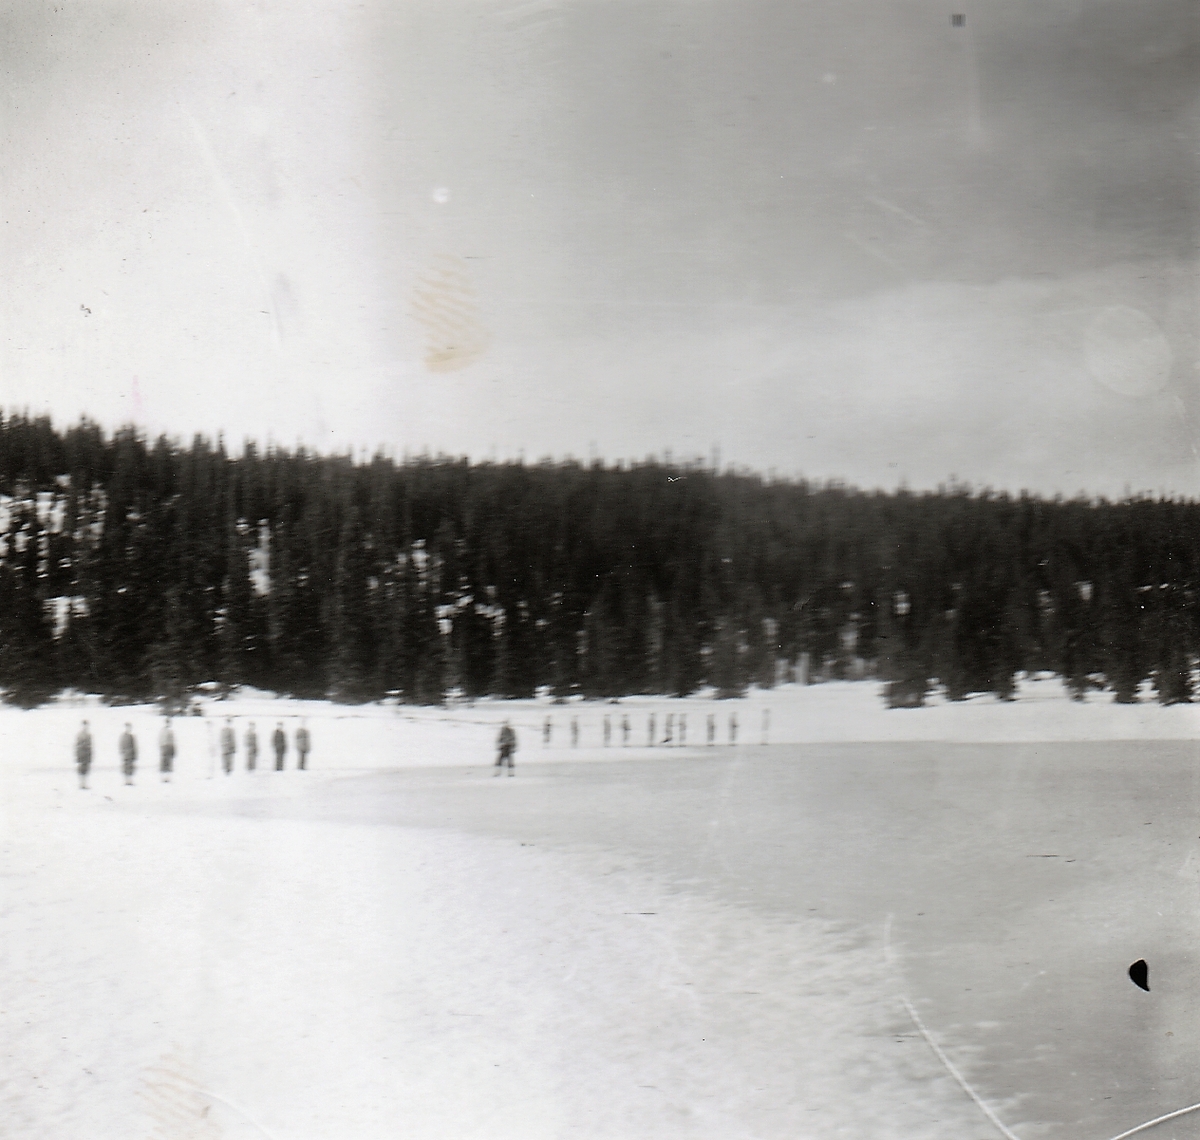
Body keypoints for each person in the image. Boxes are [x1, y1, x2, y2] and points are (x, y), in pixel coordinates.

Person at [75, 719, 92, 790]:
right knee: (81, 770)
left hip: (87, 755)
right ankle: (81, 784)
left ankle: (84, 784)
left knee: (86, 770)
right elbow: (77, 746)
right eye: (84, 725)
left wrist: (90, 755)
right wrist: (78, 756)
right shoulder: (80, 735)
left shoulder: (89, 735)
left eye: (87, 725)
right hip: (81, 755)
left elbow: (90, 746)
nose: (85, 727)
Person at [119, 722, 137, 786]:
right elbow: (121, 745)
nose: (129, 729)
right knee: (126, 768)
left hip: (131, 755)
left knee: (130, 768)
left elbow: (134, 746)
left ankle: (130, 780)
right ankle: (126, 780)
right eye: (128, 727)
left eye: (130, 727)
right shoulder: (123, 736)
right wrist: (122, 752)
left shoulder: (132, 736)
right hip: (126, 755)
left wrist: (135, 754)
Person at [159, 717, 176, 783]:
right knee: (165, 764)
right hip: (165, 748)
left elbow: (172, 741)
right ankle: (164, 778)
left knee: (168, 763)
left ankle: (167, 778)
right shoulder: (164, 731)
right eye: (167, 722)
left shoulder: (170, 731)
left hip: (168, 748)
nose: (168, 724)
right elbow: (161, 740)